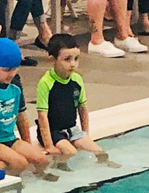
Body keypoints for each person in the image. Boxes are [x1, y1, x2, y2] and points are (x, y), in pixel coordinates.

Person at [0, 39, 54, 180]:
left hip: (8, 138)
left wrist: (28, 147)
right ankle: (9, 187)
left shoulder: (15, 83)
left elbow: (21, 118)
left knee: (42, 159)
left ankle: (37, 183)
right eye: (6, 70)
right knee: (19, 163)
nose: (11, 73)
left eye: (14, 69)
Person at [35, 34, 118, 168]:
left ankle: (106, 166)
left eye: (76, 59)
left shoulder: (77, 79)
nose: (73, 64)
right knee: (70, 152)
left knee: (98, 150)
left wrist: (85, 134)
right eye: (67, 59)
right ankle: (58, 168)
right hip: (53, 131)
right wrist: (49, 145)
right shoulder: (46, 83)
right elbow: (42, 116)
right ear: (53, 59)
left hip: (72, 129)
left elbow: (82, 108)